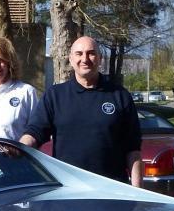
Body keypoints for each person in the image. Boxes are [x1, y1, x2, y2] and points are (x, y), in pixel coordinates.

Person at [19, 36, 142, 186]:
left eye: (91, 53)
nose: (85, 59)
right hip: (69, 190)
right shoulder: (55, 96)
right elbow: (35, 132)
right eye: (79, 53)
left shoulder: (120, 96)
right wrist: (19, 147)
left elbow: (133, 149)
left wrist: (138, 192)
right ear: (71, 59)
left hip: (112, 190)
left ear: (99, 58)